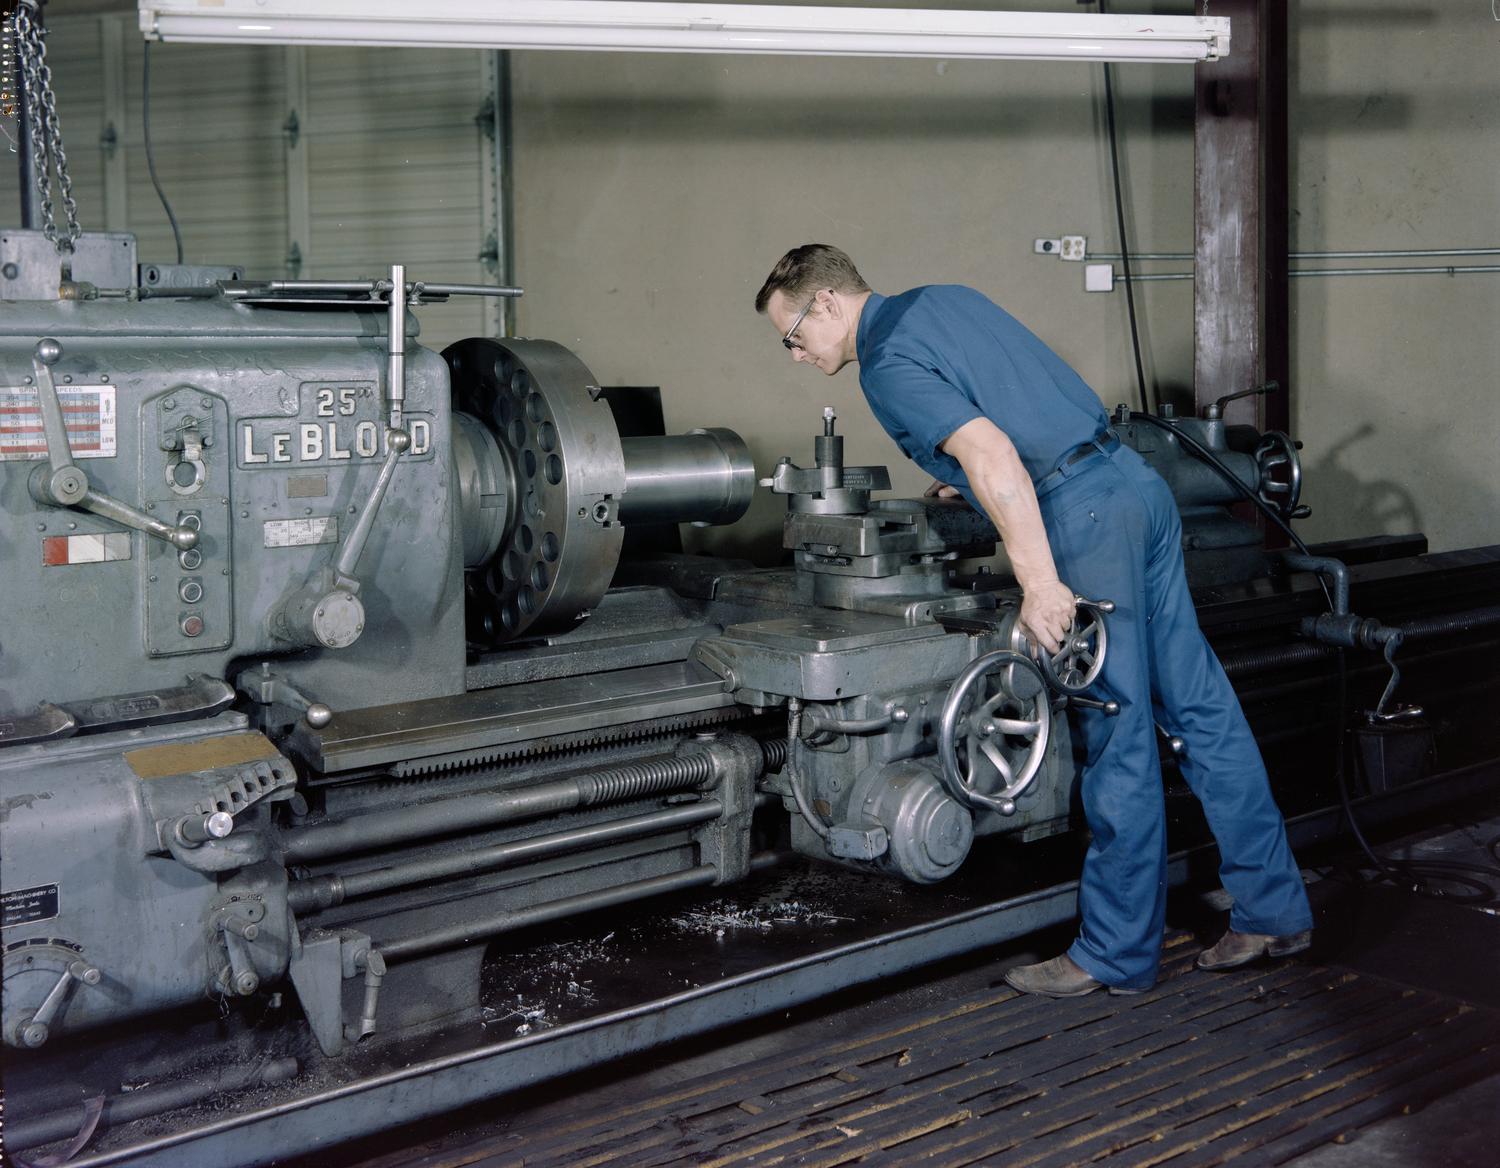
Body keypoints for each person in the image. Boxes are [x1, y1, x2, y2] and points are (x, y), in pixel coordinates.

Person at [754, 244, 1313, 996]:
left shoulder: (885, 362)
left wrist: (1041, 580)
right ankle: (1273, 909)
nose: (794, 355)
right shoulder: (941, 295)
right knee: (1200, 704)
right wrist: (966, 476)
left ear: (824, 303)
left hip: (1080, 518)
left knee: (1115, 733)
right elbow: (1020, 409)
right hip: (1132, 486)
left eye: (791, 336)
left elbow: (991, 449)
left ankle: (1116, 954)